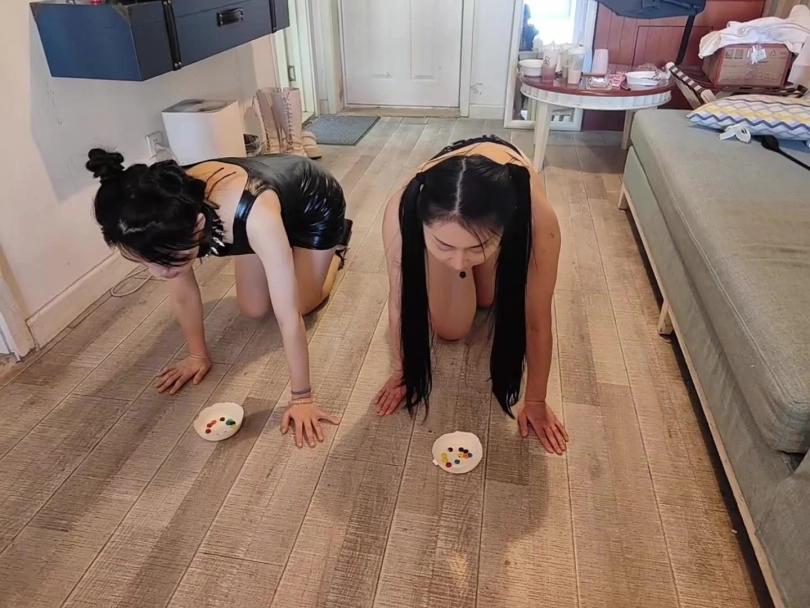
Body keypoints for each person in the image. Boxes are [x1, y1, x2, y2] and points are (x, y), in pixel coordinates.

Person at [86, 150, 352, 449]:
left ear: (199, 225)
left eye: (163, 261)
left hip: (312, 200)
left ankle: (336, 249)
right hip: (267, 205)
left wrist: (302, 398)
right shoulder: (163, 213)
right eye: (143, 262)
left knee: (302, 304)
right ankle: (283, 252)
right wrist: (197, 355)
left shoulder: (254, 218)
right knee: (252, 308)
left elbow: (288, 316)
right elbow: (182, 293)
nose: (157, 273)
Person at [374, 135, 569, 455]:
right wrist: (401, 369)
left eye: (477, 247)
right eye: (444, 246)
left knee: (490, 298)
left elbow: (537, 318)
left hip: (502, 175)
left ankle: (471, 250)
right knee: (450, 328)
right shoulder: (402, 205)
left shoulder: (537, 215)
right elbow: (399, 301)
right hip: (456, 177)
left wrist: (536, 400)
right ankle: (463, 247)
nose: (458, 262)